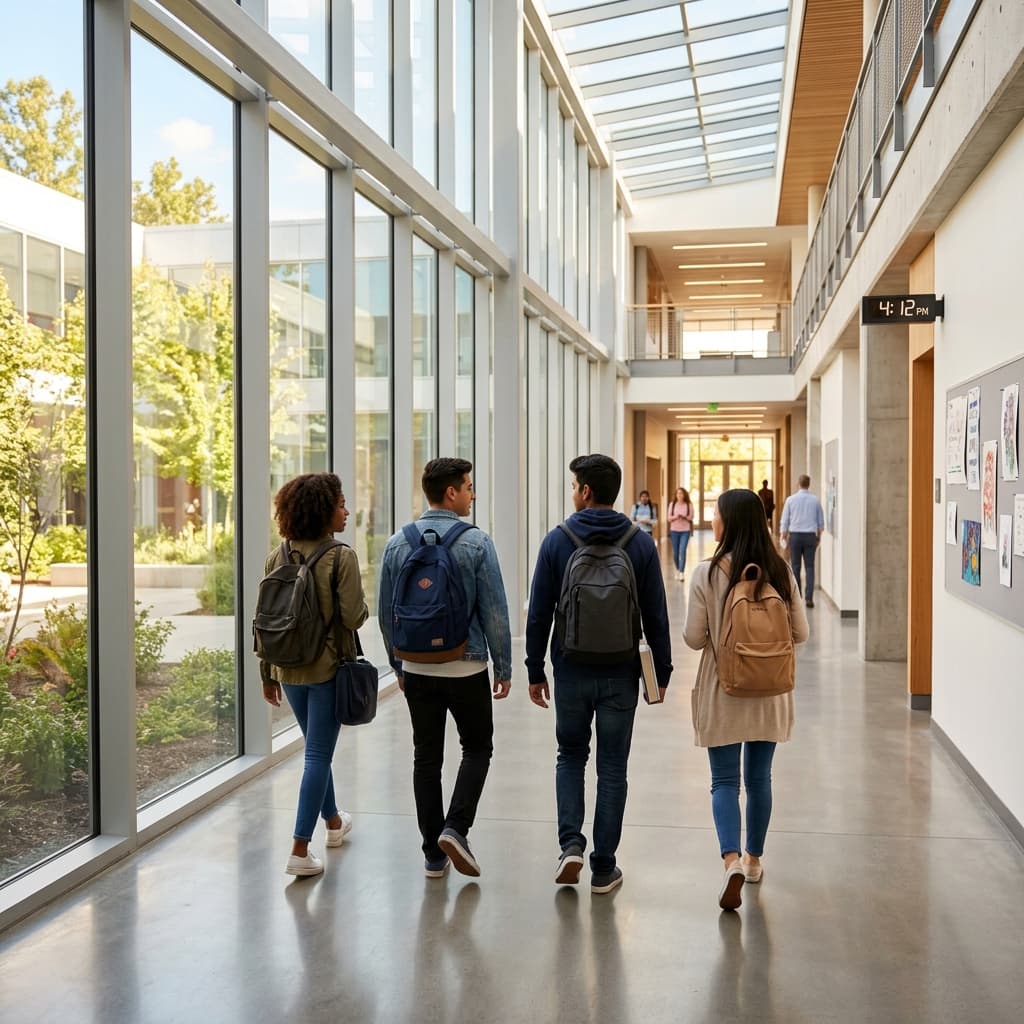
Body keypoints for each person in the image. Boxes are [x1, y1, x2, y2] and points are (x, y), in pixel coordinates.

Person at [526, 454, 673, 895]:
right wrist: (661, 672)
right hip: (621, 673)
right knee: (612, 767)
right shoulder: (639, 543)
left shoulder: (557, 541)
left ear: (586, 491)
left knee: (570, 756)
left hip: (570, 669)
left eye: (575, 486)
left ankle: (570, 845)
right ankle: (604, 868)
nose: (573, 492)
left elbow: (539, 613)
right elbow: (656, 614)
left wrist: (535, 669)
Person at [378, 458, 512, 879]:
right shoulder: (477, 542)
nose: (473, 494)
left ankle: (433, 857)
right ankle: (455, 828)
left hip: (417, 667)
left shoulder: (397, 543)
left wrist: (398, 665)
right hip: (465, 666)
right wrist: (503, 665)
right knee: (477, 748)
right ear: (451, 493)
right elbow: (494, 611)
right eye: (469, 487)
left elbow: (386, 614)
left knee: (426, 759)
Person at [683, 488, 808, 910]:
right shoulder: (781, 571)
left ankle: (730, 860)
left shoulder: (706, 573)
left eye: (716, 514)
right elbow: (802, 633)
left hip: (724, 689)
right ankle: (754, 860)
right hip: (769, 691)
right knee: (759, 779)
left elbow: (693, 638)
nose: (712, 520)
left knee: (724, 781)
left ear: (730, 521)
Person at [260, 472, 368, 877]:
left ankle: (334, 822)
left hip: (287, 667)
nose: (347, 511)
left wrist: (267, 673)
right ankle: (299, 849)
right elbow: (354, 617)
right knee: (318, 754)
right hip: (326, 668)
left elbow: (265, 619)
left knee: (316, 750)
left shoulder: (278, 555)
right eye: (341, 504)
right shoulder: (340, 557)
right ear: (324, 511)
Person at [779, 474, 825, 608]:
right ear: (809, 484)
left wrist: (783, 535)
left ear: (798, 484)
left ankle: (797, 597)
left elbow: (785, 520)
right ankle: (809, 598)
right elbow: (820, 523)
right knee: (810, 567)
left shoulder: (790, 500)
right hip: (810, 536)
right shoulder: (815, 500)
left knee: (795, 566)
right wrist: (818, 537)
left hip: (795, 537)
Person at [667, 486, 695, 581]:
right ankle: (678, 569)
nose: (679, 495)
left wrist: (684, 517)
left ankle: (682, 572)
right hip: (674, 531)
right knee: (675, 553)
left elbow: (691, 517)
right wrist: (676, 517)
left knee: (682, 551)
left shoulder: (689, 505)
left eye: (681, 493)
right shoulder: (672, 504)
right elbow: (669, 518)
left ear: (684, 495)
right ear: (676, 495)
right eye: (678, 493)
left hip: (685, 531)